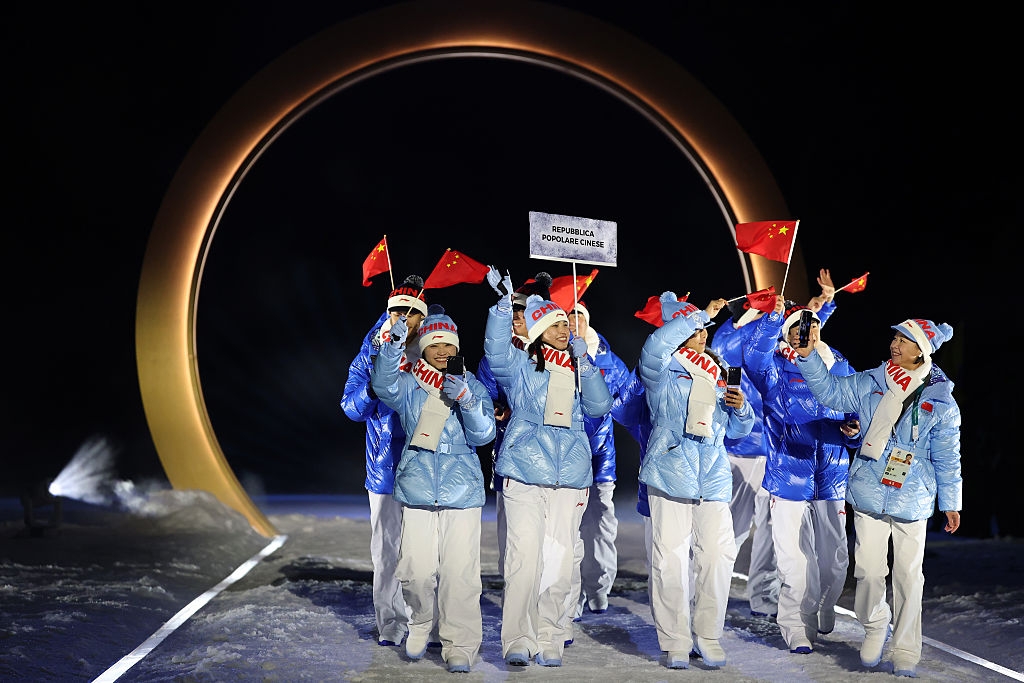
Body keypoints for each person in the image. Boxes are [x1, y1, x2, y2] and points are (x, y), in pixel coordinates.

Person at [793, 317, 961, 677]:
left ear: (921, 351)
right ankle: (874, 624)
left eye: (904, 340)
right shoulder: (872, 380)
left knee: (907, 576)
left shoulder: (941, 400)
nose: (895, 344)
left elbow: (947, 456)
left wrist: (951, 501)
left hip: (912, 496)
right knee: (869, 571)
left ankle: (904, 649)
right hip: (870, 487)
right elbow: (831, 392)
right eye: (895, 337)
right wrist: (808, 358)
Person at [483, 267, 613, 668]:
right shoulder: (519, 365)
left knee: (559, 562)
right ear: (538, 330)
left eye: (565, 324)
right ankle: (518, 639)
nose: (563, 329)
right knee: (524, 560)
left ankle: (552, 634)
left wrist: (587, 367)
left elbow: (600, 406)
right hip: (524, 472)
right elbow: (495, 350)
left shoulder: (579, 370)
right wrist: (503, 307)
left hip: (570, 477)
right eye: (555, 324)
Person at [369, 304, 495, 673]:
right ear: (423, 348)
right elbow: (381, 383)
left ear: (457, 348)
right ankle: (422, 621)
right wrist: (394, 342)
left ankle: (460, 643)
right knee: (416, 570)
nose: (442, 352)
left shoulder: (471, 384)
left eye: (449, 346)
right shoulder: (408, 384)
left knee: (460, 574)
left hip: (462, 491)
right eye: (435, 345)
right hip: (418, 486)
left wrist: (467, 401)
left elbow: (484, 433)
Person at [637, 292, 754, 670]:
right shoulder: (661, 368)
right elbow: (655, 345)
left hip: (713, 475)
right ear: (677, 329)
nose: (703, 334)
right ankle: (674, 639)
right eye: (695, 328)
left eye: (705, 329)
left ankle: (708, 635)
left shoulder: (717, 370)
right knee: (669, 558)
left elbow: (738, 428)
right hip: (671, 470)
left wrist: (741, 408)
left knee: (718, 555)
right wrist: (697, 314)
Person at [742, 294, 858, 655]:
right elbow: (753, 357)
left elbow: (858, 410)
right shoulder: (774, 363)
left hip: (832, 474)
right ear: (789, 332)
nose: (805, 332)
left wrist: (855, 431)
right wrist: (773, 318)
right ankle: (795, 628)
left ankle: (823, 605)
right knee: (794, 559)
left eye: (812, 325)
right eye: (798, 327)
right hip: (788, 474)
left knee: (836, 558)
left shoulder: (838, 364)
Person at [339, 274, 428, 648]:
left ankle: (424, 619)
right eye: (396, 313)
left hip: (427, 466)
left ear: (421, 319)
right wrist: (373, 388)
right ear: (387, 314)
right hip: (385, 467)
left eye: (410, 314)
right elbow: (349, 406)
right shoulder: (370, 353)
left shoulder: (434, 351)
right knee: (387, 548)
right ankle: (390, 621)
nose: (402, 320)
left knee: (424, 551)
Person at [475, 273, 552, 583]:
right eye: (514, 315)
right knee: (515, 539)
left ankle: (552, 613)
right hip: (513, 455)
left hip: (554, 457)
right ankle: (516, 600)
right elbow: (484, 393)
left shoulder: (555, 353)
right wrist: (496, 408)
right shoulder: (497, 356)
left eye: (523, 315)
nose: (517, 321)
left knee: (553, 542)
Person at [567, 300, 631, 620]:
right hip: (567, 456)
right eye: (568, 316)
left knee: (602, 525)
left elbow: (626, 395)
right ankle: (572, 592)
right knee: (572, 529)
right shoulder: (554, 355)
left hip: (601, 455)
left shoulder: (605, 356)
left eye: (579, 316)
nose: (573, 321)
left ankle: (599, 588)